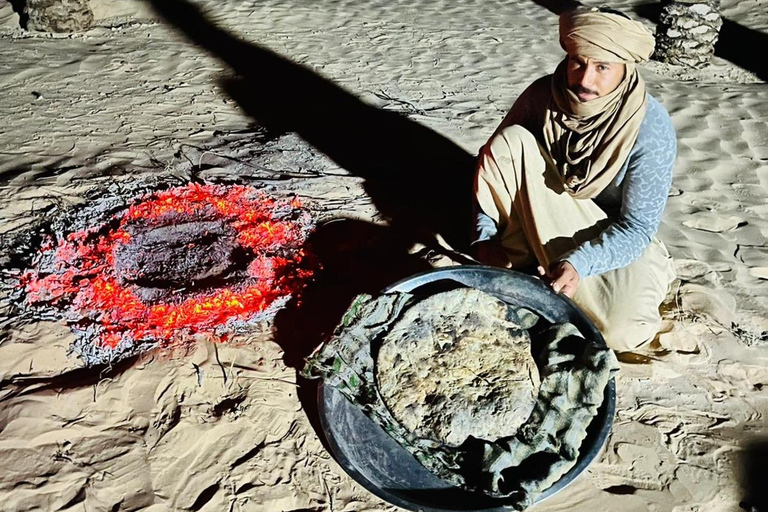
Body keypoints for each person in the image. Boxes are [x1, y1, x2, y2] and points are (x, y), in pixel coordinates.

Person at [472, 6, 677, 352]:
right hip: (542, 217)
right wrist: (484, 237)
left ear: (626, 69)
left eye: (602, 67)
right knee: (511, 142)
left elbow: (638, 228)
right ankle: (520, 254)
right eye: (578, 62)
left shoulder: (650, 128)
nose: (584, 80)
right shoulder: (543, 96)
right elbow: (495, 163)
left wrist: (579, 263)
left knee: (623, 332)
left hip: (610, 241)